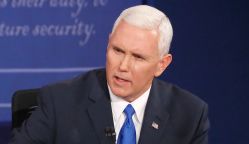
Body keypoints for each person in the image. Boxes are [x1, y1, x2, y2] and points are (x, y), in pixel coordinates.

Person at [10, 5, 209, 144]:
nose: (123, 65)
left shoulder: (189, 114)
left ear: (161, 65)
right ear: (107, 45)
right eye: (117, 50)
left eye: (138, 57)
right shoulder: (60, 101)